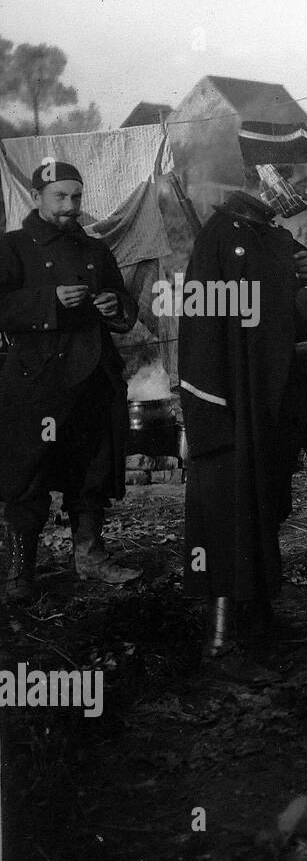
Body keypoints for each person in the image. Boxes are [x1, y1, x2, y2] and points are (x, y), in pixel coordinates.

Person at [179, 121, 307, 678]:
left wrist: (295, 285)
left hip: (271, 402)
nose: (306, 186)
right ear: (268, 173)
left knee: (267, 506)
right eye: (298, 174)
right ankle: (223, 643)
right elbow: (237, 331)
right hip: (231, 404)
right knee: (231, 516)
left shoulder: (268, 236)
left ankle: (259, 621)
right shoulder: (221, 239)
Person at [1, 161, 141, 605]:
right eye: (60, 196)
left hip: (93, 375)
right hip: (38, 380)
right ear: (37, 198)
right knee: (31, 473)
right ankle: (21, 571)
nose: (70, 206)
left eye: (76, 196)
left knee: (94, 468)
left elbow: (127, 305)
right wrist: (49, 300)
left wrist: (113, 303)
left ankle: (90, 556)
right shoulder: (13, 247)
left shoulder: (96, 249)